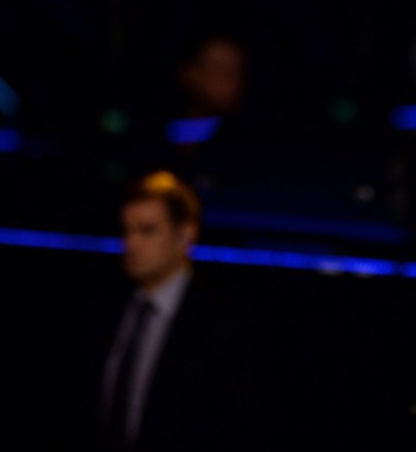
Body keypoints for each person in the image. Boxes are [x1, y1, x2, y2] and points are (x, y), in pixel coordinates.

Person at [74, 168, 273, 451]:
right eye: (127, 230)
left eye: (147, 230)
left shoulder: (222, 324)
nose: (131, 243)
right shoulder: (107, 312)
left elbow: (243, 424)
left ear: (185, 234)